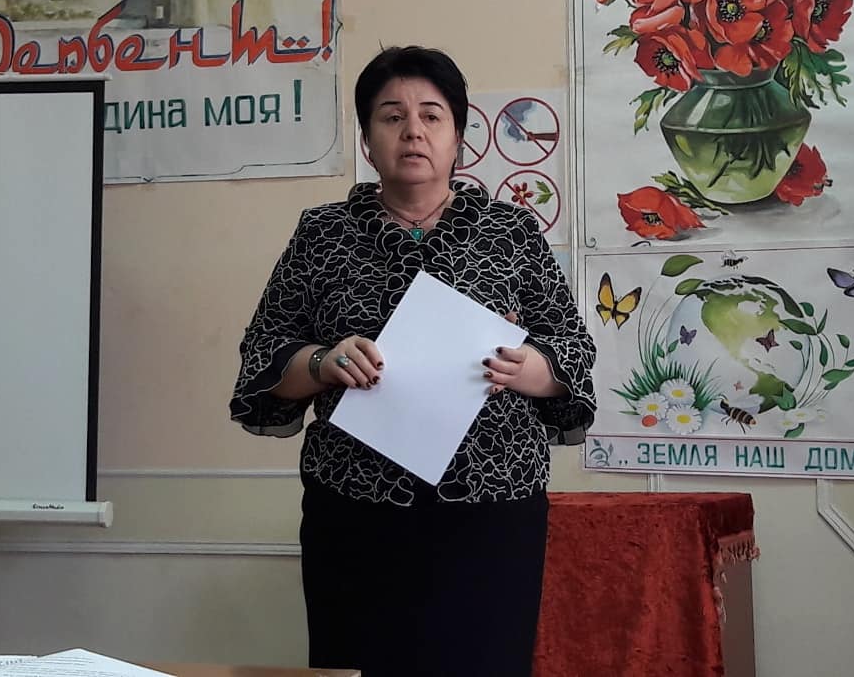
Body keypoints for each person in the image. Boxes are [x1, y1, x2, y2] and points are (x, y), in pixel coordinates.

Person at [229, 45, 596, 677]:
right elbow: (264, 357)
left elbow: (572, 350)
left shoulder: (511, 233)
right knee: (359, 665)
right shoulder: (321, 234)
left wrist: (529, 369)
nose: (413, 131)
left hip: (491, 508)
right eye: (392, 116)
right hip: (356, 510)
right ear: (367, 141)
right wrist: (321, 362)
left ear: (458, 137)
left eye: (431, 115)